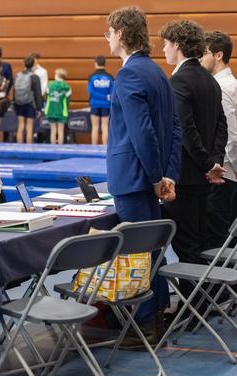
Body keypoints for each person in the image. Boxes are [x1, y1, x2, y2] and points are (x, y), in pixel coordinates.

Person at [105, 6, 182, 341]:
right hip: (150, 176)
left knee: (138, 251)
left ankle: (144, 325)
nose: (107, 39)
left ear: (120, 33)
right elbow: (174, 130)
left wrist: (154, 177)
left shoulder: (130, 74)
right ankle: (157, 315)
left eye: (109, 32)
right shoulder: (157, 73)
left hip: (136, 178)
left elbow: (142, 133)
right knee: (152, 248)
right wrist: (167, 175)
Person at [160, 20, 228, 308]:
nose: (162, 49)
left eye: (165, 44)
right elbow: (221, 128)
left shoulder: (178, 81)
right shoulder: (209, 80)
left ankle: (193, 305)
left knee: (186, 245)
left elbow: (185, 130)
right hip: (202, 176)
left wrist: (205, 163)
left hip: (187, 177)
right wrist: (213, 162)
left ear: (176, 45)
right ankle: (201, 301)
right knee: (199, 242)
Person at [201, 31, 237, 248]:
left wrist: (220, 166)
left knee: (218, 237)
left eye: (204, 53)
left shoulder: (222, 88)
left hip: (224, 173)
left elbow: (230, 135)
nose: (200, 58)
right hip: (228, 171)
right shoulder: (229, 84)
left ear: (218, 55)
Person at [14, 55, 43, 144]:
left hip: (18, 102)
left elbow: (15, 90)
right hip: (30, 103)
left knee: (21, 125)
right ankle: (29, 148)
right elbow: (38, 93)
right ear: (34, 64)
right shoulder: (34, 77)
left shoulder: (18, 75)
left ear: (24, 64)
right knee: (29, 126)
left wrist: (14, 103)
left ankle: (19, 147)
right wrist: (39, 108)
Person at [87, 55, 114, 145]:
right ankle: (104, 148)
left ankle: (94, 147)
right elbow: (112, 91)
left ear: (95, 64)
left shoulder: (91, 77)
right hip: (106, 105)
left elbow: (91, 92)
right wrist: (105, 97)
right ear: (104, 64)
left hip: (95, 104)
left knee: (95, 127)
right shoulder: (110, 77)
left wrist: (100, 97)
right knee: (105, 126)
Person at [45, 69, 71, 144]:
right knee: (60, 131)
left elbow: (46, 97)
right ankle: (60, 149)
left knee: (53, 130)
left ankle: (53, 149)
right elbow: (68, 100)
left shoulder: (50, 85)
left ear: (57, 75)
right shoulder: (67, 87)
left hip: (51, 110)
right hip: (62, 111)